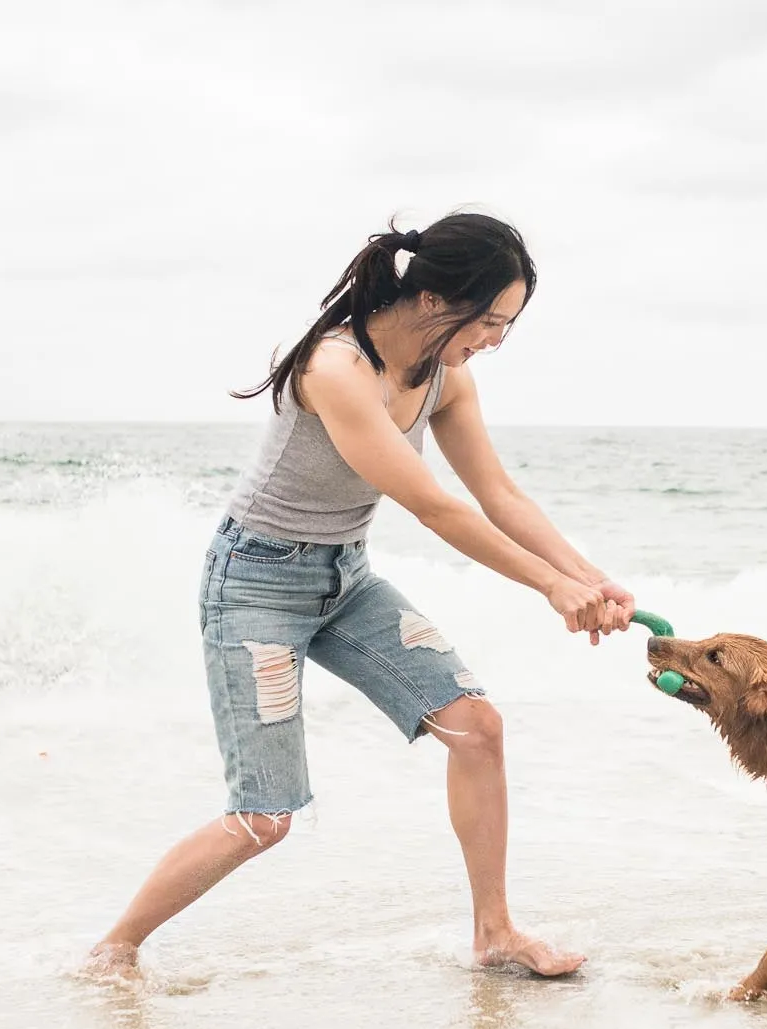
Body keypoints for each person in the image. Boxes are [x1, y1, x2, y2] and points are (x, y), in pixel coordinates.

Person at [87, 211, 635, 981]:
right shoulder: (335, 367)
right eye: (492, 321)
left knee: (476, 726)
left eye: (508, 326)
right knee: (264, 818)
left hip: (344, 579)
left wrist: (588, 576)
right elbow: (436, 506)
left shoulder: (447, 377)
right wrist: (551, 587)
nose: (495, 341)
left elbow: (498, 493)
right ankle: (114, 948)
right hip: (255, 583)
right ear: (439, 299)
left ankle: (495, 932)